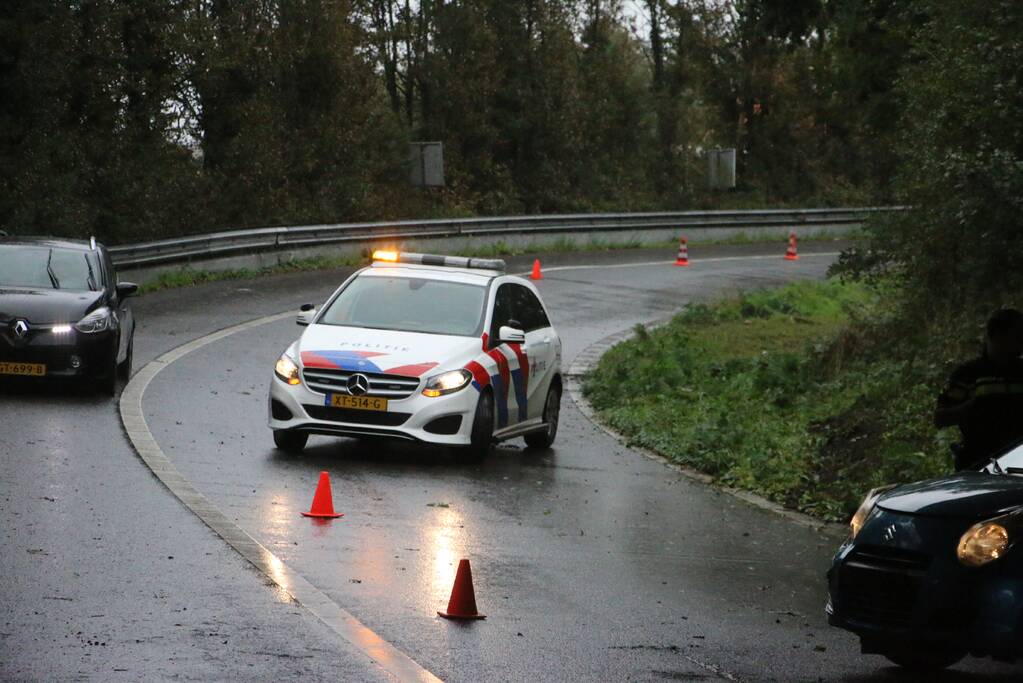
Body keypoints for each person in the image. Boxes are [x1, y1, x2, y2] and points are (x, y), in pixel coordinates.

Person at [935, 308, 1023, 471]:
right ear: (997, 334)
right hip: (977, 464)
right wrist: (976, 406)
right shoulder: (968, 374)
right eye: (1017, 335)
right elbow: (940, 418)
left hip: (1018, 464)